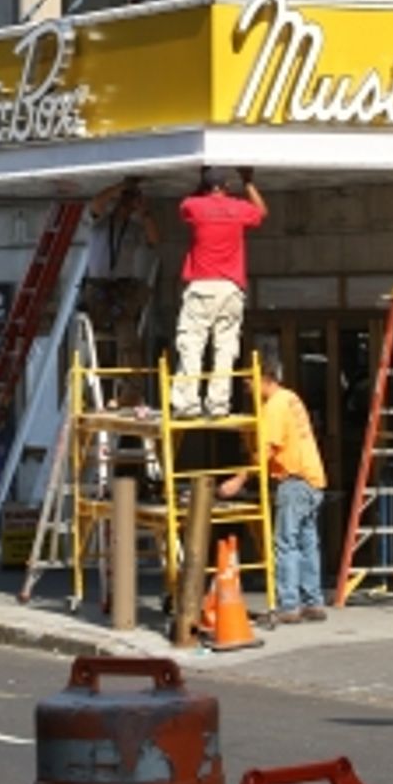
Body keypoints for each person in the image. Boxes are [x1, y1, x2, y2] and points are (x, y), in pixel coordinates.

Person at [219, 347, 327, 626]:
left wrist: (239, 479)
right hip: (312, 479)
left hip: (293, 480)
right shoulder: (291, 398)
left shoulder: (275, 405)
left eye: (249, 381)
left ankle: (289, 605)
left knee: (285, 543)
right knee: (306, 542)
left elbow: (267, 449)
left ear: (263, 377)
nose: (246, 387)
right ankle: (313, 602)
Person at [171, 168, 266, 418]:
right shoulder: (238, 208)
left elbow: (184, 207)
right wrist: (248, 182)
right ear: (227, 186)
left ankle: (188, 403)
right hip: (231, 288)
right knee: (225, 347)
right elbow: (262, 213)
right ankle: (219, 404)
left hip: (202, 285)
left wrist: (200, 185)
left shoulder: (195, 205)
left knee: (192, 344)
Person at [83, 180, 159, 406]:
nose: (127, 206)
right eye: (125, 201)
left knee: (127, 337)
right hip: (98, 288)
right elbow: (96, 204)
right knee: (99, 344)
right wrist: (118, 188)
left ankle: (131, 390)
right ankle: (99, 391)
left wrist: (144, 213)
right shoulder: (100, 225)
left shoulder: (134, 229)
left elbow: (154, 240)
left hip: (120, 290)